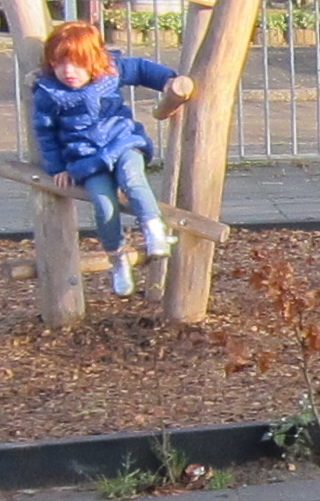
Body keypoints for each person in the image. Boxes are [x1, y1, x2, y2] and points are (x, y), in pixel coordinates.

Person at [30, 20, 196, 297]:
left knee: (132, 178)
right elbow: (45, 132)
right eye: (60, 65)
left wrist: (167, 80)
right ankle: (117, 258)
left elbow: (141, 69)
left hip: (122, 142)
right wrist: (57, 167)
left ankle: (153, 228)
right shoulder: (50, 94)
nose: (69, 72)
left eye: (77, 64)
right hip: (86, 158)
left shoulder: (109, 72)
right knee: (104, 205)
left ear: (94, 61)